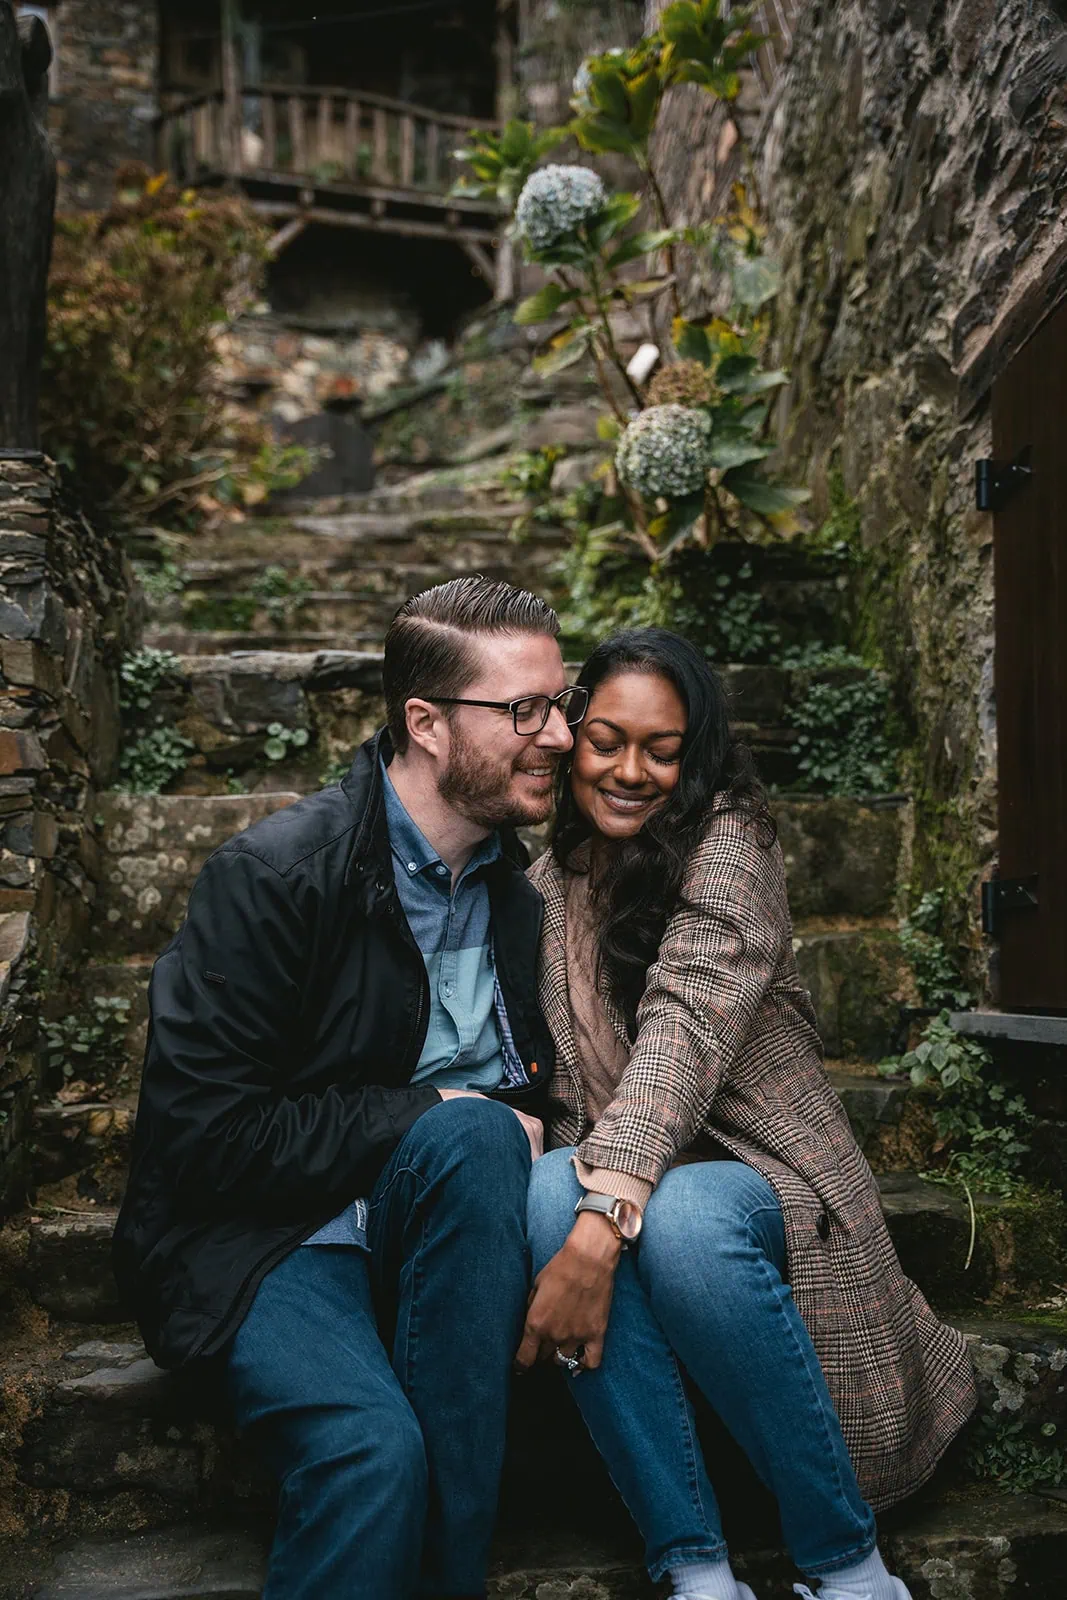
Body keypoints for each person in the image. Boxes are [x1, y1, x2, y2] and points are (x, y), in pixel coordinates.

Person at [113, 576, 589, 1600]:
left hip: (448, 1230)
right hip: (270, 1239)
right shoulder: (277, 876)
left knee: (477, 1147)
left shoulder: (522, 892)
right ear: (423, 722)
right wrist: (428, 1109)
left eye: (561, 702)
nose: (558, 736)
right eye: (524, 711)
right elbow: (203, 1139)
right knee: (375, 1454)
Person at [517, 628, 977, 1600]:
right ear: (570, 736)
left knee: (673, 1217)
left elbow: (682, 1028)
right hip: (630, 1181)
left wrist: (598, 1229)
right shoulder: (546, 881)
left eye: (662, 748)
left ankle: (847, 1567)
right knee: (538, 1187)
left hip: (763, 1181)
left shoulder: (731, 847)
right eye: (605, 740)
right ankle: (695, 1569)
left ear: (698, 754)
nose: (629, 770)